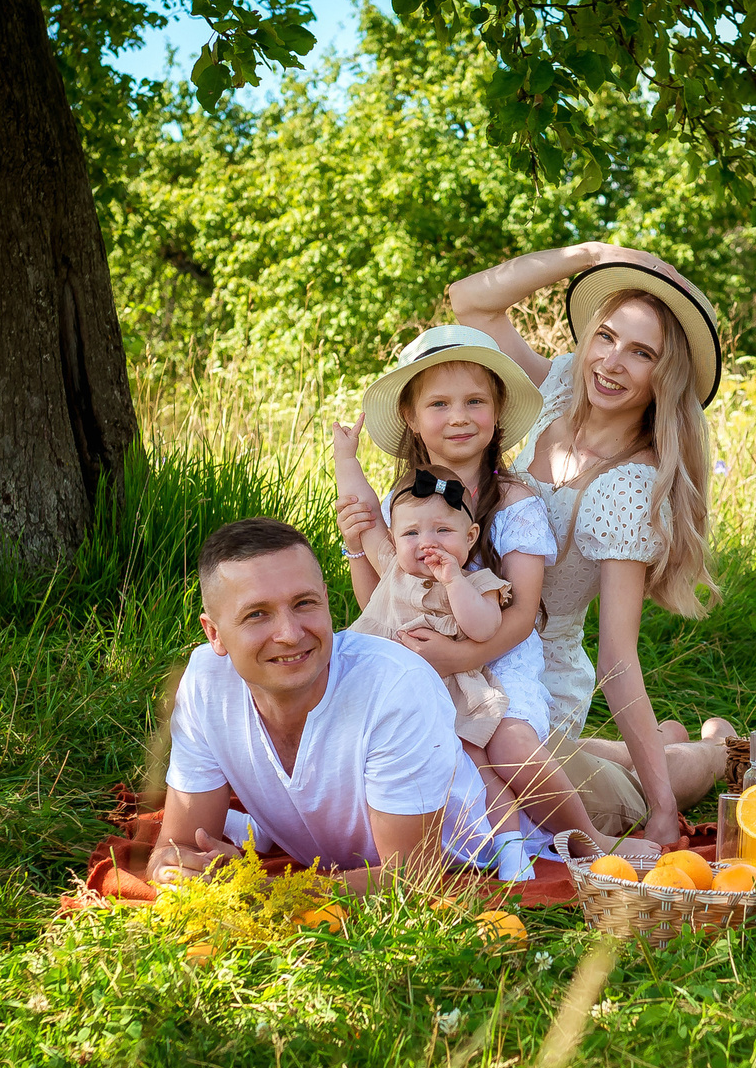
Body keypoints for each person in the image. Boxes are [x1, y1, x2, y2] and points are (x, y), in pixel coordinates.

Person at [446, 242, 735, 846]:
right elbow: (470, 302)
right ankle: (658, 742)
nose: (611, 362)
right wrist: (592, 253)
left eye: (641, 353)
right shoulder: (555, 388)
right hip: (466, 641)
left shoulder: (628, 486)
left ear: (666, 376)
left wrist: (662, 810)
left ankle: (711, 750)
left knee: (573, 799)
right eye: (605, 337)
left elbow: (618, 659)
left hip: (540, 677)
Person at [334, 325, 603, 841]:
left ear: (497, 411)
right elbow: (381, 602)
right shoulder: (399, 505)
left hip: (499, 656)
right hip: (424, 664)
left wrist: (459, 658)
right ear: (411, 418)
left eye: (474, 401)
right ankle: (494, 843)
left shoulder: (514, 502)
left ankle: (592, 841)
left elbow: (522, 616)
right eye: (439, 404)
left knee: (508, 747)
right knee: (445, 760)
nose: (458, 416)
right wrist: (354, 548)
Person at [149, 517, 497, 887]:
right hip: (329, 858)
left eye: (304, 603)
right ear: (214, 634)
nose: (290, 633)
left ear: (327, 601)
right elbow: (180, 845)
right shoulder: (206, 681)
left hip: (465, 859)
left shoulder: (395, 686)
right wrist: (175, 868)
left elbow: (413, 876)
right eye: (257, 614)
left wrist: (260, 889)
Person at [337, 463, 534, 878]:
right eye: (411, 533)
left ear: (470, 538)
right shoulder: (391, 564)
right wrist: (346, 456)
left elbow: (484, 628)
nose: (426, 543)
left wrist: (452, 581)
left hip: (451, 693)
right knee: (358, 758)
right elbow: (363, 507)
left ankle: (510, 844)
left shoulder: (478, 583)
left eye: (442, 532)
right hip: (384, 695)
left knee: (480, 767)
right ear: (393, 539)